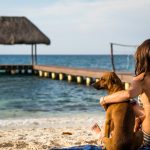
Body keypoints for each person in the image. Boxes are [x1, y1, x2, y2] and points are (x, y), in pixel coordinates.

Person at [100, 39, 150, 149]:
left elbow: (127, 94)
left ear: (142, 58)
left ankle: (101, 135)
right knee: (134, 106)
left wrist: (104, 99)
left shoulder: (141, 79)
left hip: (148, 137)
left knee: (125, 106)